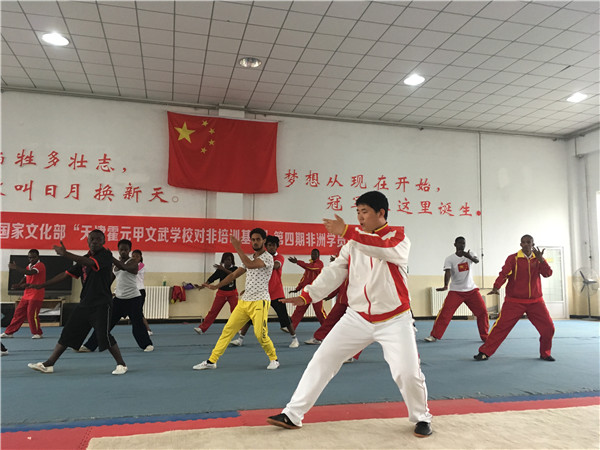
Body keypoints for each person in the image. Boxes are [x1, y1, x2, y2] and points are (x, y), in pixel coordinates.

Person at [267, 191, 432, 437]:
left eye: (364, 212)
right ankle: (292, 414)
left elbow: (382, 248)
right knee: (322, 360)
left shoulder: (397, 238)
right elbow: (334, 272)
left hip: (395, 319)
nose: (360, 217)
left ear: (381, 213)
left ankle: (421, 418)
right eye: (357, 212)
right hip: (357, 318)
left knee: (407, 372)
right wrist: (307, 295)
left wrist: (347, 232)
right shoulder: (353, 243)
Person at [27, 230, 128, 375]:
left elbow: (90, 263)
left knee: (103, 335)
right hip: (85, 304)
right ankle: (49, 364)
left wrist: (66, 254)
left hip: (101, 304)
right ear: (87, 240)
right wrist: (42, 285)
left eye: (98, 239)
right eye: (92, 239)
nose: (95, 241)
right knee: (68, 333)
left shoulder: (106, 256)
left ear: (104, 242)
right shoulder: (84, 259)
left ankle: (121, 364)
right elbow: (65, 274)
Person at [193, 228, 279, 371]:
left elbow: (251, 265)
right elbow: (233, 275)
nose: (255, 242)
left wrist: (237, 248)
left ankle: (274, 359)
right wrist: (217, 286)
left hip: (260, 301)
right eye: (253, 239)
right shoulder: (250, 257)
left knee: (260, 334)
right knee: (227, 330)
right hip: (245, 302)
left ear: (264, 241)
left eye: (258, 239)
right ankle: (211, 361)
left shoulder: (267, 258)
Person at [474, 235, 555, 362]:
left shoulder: (538, 259)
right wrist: (496, 286)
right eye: (524, 242)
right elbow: (504, 273)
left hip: (536, 302)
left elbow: (548, 274)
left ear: (533, 244)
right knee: (500, 327)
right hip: (514, 301)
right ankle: (484, 352)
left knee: (549, 328)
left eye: (529, 242)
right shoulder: (513, 259)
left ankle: (545, 353)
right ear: (520, 244)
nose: (526, 244)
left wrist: (542, 261)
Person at [80, 240, 154, 353]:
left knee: (137, 323)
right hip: (119, 299)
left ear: (129, 250)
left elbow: (126, 268)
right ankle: (90, 345)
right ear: (118, 250)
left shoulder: (133, 262)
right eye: (121, 249)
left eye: (125, 249)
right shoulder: (115, 265)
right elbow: (108, 281)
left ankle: (147, 344)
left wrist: (111, 258)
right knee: (105, 323)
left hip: (134, 298)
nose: (123, 252)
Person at [230, 236, 299, 349]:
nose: (271, 247)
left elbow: (275, 266)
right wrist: (248, 289)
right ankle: (240, 339)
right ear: (266, 246)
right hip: (260, 293)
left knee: (284, 317)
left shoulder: (278, 257)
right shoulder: (259, 258)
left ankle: (294, 339)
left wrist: (263, 263)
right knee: (249, 317)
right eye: (269, 245)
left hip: (276, 293)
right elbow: (254, 275)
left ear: (277, 246)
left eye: (274, 245)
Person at [424, 237, 489, 343]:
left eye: (464, 243)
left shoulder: (470, 254)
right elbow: (448, 272)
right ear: (455, 244)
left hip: (471, 290)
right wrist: (446, 285)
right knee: (445, 313)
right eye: (459, 243)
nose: (462, 245)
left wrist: (468, 256)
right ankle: (434, 336)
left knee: (483, 312)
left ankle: (485, 336)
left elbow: (476, 261)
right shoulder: (450, 259)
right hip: (456, 291)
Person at [3, 250, 46, 339]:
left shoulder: (40, 265)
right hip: (27, 294)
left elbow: (31, 273)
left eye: (33, 257)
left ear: (38, 257)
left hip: (36, 294)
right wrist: (19, 285)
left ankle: (37, 333)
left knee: (32, 314)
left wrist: (16, 267)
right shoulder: (29, 266)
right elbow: (25, 277)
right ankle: (9, 332)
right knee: (18, 313)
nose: (31, 259)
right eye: (29, 257)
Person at [193, 252, 238, 335]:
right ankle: (202, 328)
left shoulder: (235, 269)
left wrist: (223, 269)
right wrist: (201, 286)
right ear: (223, 261)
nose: (227, 262)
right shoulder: (220, 270)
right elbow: (211, 279)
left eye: (229, 260)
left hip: (232, 293)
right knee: (213, 311)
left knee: (235, 311)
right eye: (225, 260)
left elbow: (233, 275)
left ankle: (240, 328)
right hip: (221, 293)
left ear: (232, 261)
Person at [288, 249, 327, 329]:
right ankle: (291, 326)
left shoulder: (319, 264)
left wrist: (297, 262)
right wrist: (297, 288)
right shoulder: (309, 265)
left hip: (316, 292)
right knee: (299, 309)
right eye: (312, 254)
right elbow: (304, 278)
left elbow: (311, 267)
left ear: (318, 255)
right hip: (307, 292)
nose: (313, 255)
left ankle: (327, 327)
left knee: (319, 311)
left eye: (315, 254)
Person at [133, 249, 153, 336]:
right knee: (136, 312)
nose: (135, 258)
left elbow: (133, 271)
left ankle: (147, 329)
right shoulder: (130, 265)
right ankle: (141, 328)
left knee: (139, 311)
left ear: (140, 257)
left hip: (140, 291)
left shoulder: (141, 266)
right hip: (133, 290)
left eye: (137, 256)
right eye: (133, 256)